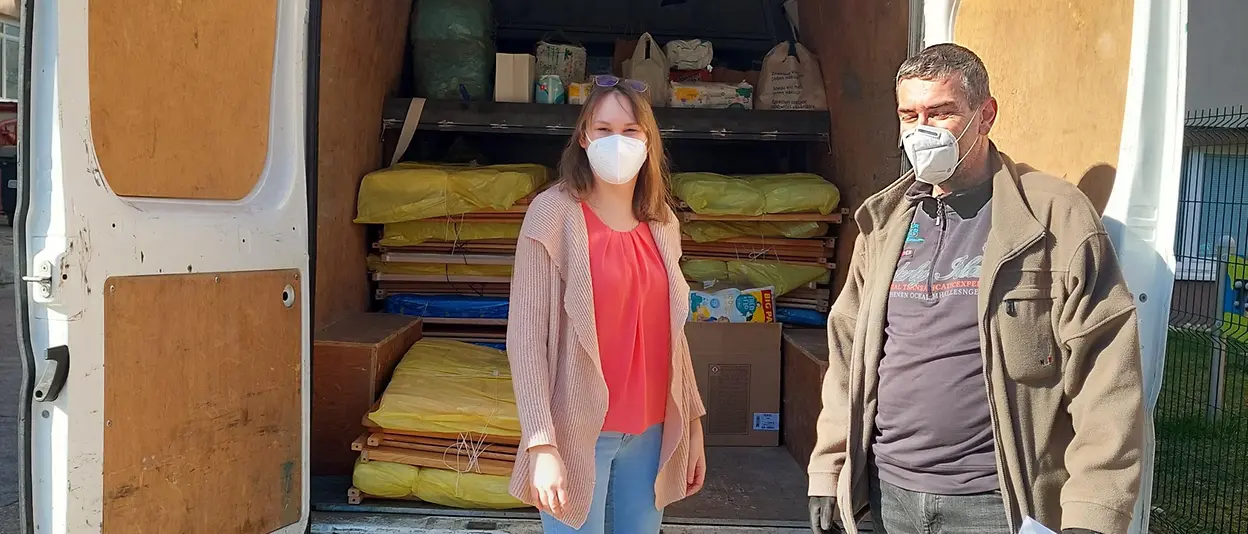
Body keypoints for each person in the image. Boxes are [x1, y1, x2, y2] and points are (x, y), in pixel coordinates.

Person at [807, 44, 1146, 534]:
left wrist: (1094, 513)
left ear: (985, 116)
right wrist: (828, 471)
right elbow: (848, 359)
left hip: (997, 505)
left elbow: (1107, 375)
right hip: (886, 497)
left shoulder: (1053, 218)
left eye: (941, 113)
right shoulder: (884, 224)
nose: (921, 130)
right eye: (909, 114)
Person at [506, 78, 709, 534]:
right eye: (603, 128)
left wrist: (693, 426)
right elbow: (524, 339)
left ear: (648, 140)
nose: (617, 141)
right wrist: (540, 444)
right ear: (584, 137)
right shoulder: (552, 214)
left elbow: (674, 334)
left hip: (652, 431)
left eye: (631, 130)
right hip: (578, 434)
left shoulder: (662, 222)